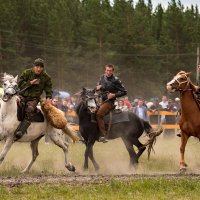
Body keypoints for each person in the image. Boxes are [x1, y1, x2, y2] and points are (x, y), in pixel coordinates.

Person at [16, 58, 52, 139]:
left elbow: (49, 89)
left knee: (30, 109)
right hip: (22, 96)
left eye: (41, 67)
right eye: (37, 66)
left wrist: (49, 98)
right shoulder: (26, 72)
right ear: (34, 66)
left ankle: (21, 131)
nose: (39, 69)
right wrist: (30, 83)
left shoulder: (46, 77)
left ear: (43, 68)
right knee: (14, 106)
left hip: (34, 99)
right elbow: (19, 85)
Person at [95, 64, 127, 143]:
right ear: (105, 70)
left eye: (110, 70)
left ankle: (103, 135)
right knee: (90, 112)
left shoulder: (116, 80)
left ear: (112, 71)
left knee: (99, 114)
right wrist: (97, 87)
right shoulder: (102, 77)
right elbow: (97, 87)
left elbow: (124, 91)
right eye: (107, 70)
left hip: (109, 102)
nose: (108, 72)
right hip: (100, 101)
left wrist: (114, 95)